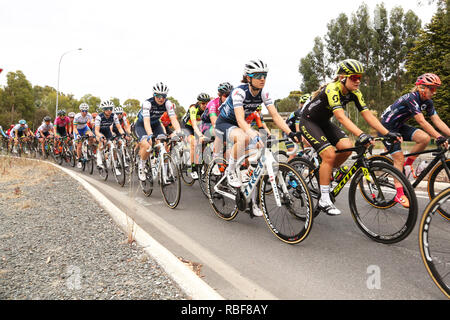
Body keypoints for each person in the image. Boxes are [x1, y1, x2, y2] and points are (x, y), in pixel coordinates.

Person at [300, 59, 402, 215]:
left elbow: (367, 115)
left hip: (324, 122)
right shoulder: (332, 89)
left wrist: (387, 133)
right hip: (309, 121)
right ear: (343, 78)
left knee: (347, 148)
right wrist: (361, 134)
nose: (358, 81)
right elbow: (340, 117)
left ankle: (327, 173)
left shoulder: (355, 93)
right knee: (328, 154)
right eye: (354, 77)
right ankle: (324, 199)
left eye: (360, 77)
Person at [214, 59, 301, 217]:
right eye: (258, 75)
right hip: (225, 122)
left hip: (241, 125)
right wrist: (251, 132)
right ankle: (231, 170)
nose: (262, 79)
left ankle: (252, 202)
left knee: (259, 159)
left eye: (265, 75)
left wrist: (290, 133)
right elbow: (240, 120)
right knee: (243, 138)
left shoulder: (264, 93)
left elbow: (275, 116)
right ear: (248, 78)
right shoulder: (239, 92)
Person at [380, 73, 450, 193]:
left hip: (399, 126)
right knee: (399, 159)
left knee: (424, 138)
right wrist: (438, 136)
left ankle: (407, 166)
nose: (434, 92)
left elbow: (437, 120)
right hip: (386, 128)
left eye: (436, 89)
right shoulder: (411, 98)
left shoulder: (428, 102)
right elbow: (422, 121)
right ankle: (399, 193)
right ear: (421, 88)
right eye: (432, 88)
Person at [134, 82, 182, 181]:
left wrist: (179, 131)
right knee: (147, 145)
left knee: (164, 144)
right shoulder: (147, 104)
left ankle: (164, 172)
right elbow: (146, 122)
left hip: (155, 124)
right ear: (154, 95)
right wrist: (150, 135)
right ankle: (141, 166)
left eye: (163, 96)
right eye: (158, 96)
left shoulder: (168, 103)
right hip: (142, 125)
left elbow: (173, 119)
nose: (161, 98)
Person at [181, 93, 211, 179]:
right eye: (203, 103)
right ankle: (192, 168)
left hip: (197, 127)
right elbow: (193, 124)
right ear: (198, 102)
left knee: (203, 144)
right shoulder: (193, 108)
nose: (205, 105)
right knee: (193, 143)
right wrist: (201, 135)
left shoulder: (208, 109)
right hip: (187, 127)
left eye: (206, 103)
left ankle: (201, 163)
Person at [95, 100, 125, 174]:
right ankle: (99, 160)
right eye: (107, 109)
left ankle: (115, 167)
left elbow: (119, 127)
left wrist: (123, 134)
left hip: (107, 130)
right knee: (101, 142)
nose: (109, 111)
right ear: (103, 110)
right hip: (99, 130)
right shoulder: (99, 117)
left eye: (111, 109)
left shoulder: (114, 116)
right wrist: (100, 136)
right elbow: (96, 131)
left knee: (112, 146)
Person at [73, 103, 95, 168]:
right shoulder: (77, 117)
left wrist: (94, 131)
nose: (84, 112)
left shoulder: (89, 115)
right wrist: (77, 134)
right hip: (78, 130)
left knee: (91, 136)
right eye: (83, 111)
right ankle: (79, 160)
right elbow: (74, 127)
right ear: (80, 111)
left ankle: (89, 148)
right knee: (79, 146)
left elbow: (92, 124)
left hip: (85, 128)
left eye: (86, 111)